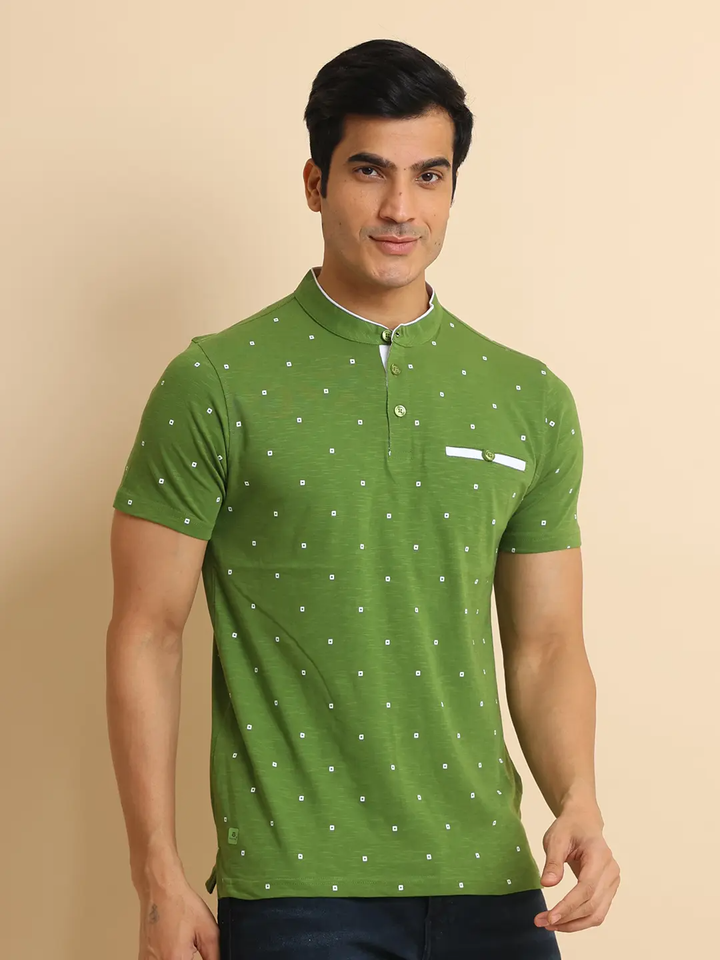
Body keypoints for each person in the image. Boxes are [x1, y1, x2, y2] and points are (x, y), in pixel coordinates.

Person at [106, 37, 620, 960]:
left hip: (494, 886)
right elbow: (147, 631)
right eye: (369, 171)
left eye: (430, 176)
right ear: (316, 183)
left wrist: (577, 797)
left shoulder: (526, 397)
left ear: (453, 190)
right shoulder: (216, 382)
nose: (399, 208)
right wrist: (157, 875)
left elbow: (546, 645)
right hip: (300, 895)